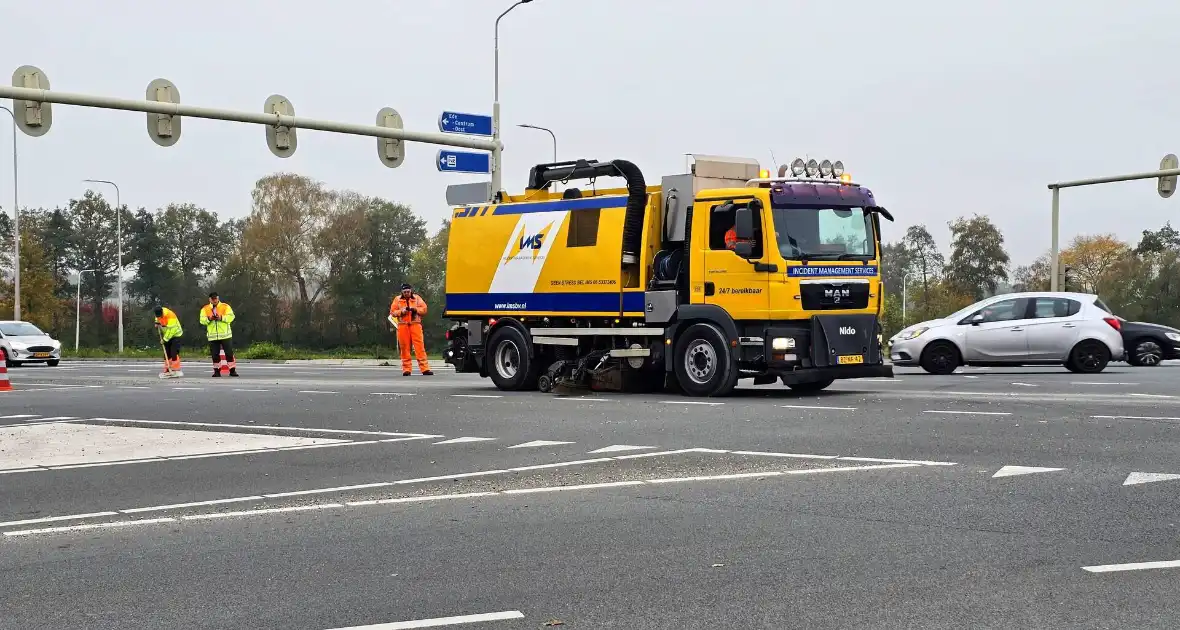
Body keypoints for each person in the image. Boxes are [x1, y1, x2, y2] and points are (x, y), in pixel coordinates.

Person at [389, 283, 433, 376]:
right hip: (402, 326)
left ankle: (425, 369)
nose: (406, 293)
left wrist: (415, 310)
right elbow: (393, 312)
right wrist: (402, 311)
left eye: (408, 291)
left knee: (420, 347)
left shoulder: (417, 298)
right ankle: (406, 369)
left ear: (411, 290)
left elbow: (424, 309)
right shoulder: (397, 299)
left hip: (415, 325)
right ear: (402, 291)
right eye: (405, 292)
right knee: (404, 348)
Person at [199, 291, 238, 377]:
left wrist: (221, 318)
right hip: (213, 336)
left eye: (216, 298)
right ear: (210, 299)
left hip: (225, 335)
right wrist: (209, 319)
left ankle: (232, 370)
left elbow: (231, 317)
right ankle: (217, 371)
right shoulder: (205, 309)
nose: (214, 300)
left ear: (218, 298)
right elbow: (202, 320)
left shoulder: (225, 306)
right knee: (215, 355)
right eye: (213, 299)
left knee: (229, 353)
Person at [153, 305, 183, 374]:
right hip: (167, 335)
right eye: (157, 315)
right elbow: (157, 319)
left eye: (160, 315)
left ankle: (175, 369)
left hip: (175, 335)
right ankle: (167, 368)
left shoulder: (170, 315)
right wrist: (156, 323)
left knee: (173, 352)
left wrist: (164, 339)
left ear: (162, 312)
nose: (158, 317)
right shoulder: (158, 314)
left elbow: (172, 330)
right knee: (167, 353)